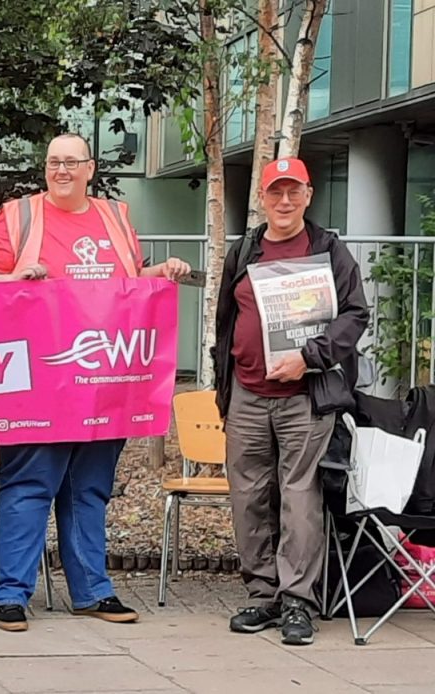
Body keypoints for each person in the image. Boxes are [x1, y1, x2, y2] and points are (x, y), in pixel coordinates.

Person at [0, 133, 191, 632]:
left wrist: (158, 272)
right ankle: (11, 594)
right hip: (35, 380)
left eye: (71, 162)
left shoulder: (115, 217)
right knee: (29, 485)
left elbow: (128, 283)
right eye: (53, 161)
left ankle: (92, 590)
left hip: (101, 382)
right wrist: (16, 279)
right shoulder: (17, 216)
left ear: (90, 168)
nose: (61, 170)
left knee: (88, 490)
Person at [213, 157, 367, 646]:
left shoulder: (328, 251)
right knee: (249, 497)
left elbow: (355, 315)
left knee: (300, 496)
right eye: (275, 192)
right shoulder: (244, 252)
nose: (284, 201)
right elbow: (223, 320)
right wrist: (225, 386)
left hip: (305, 395)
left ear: (308, 194)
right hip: (247, 394)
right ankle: (263, 596)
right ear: (263, 197)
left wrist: (310, 358)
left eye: (293, 191)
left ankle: (298, 601)